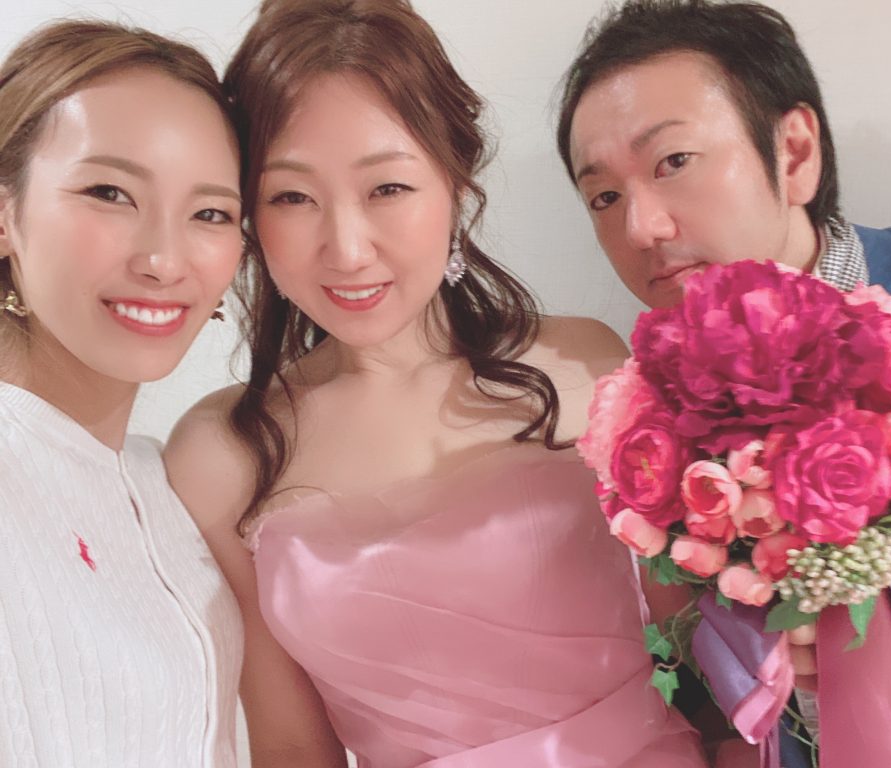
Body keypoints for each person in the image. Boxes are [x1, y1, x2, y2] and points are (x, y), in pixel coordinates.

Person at [163, 0, 714, 765]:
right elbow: (290, 745)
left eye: (386, 188)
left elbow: (703, 654)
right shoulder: (220, 454)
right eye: (292, 197)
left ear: (454, 183)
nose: (348, 249)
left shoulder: (586, 362)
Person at [556, 1, 891, 765]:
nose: (640, 227)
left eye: (673, 161)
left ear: (796, 152)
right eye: (603, 197)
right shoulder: (645, 431)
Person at [0, 19, 244, 768]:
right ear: (5, 213)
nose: (165, 260)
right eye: (110, 193)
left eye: (210, 213)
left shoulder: (165, 484)